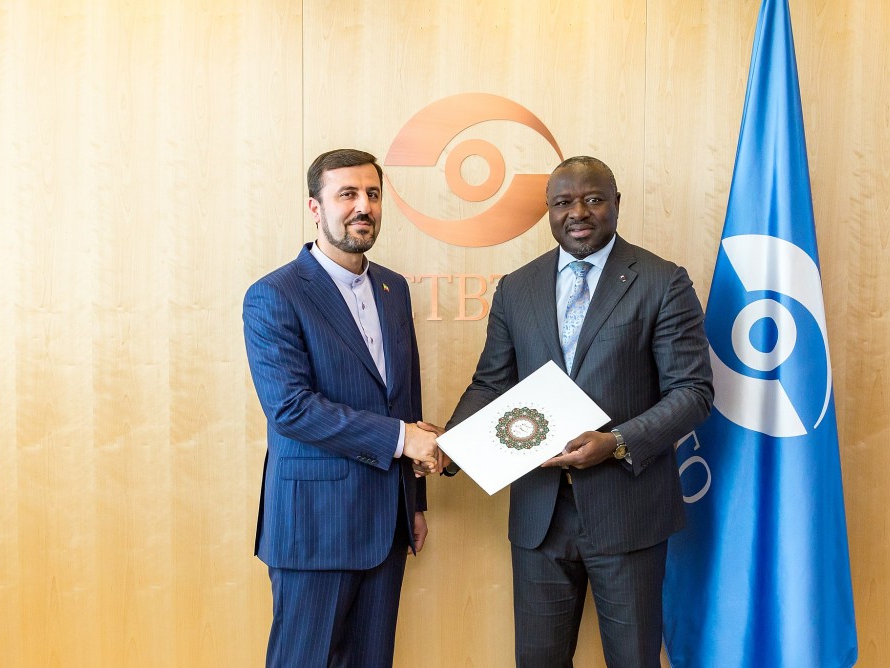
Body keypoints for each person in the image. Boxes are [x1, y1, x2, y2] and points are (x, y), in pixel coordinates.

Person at [445, 156, 714, 667]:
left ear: (616, 204)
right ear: (549, 211)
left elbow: (693, 391)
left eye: (593, 199)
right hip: (539, 515)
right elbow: (491, 383)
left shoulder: (662, 281)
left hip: (628, 511)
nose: (578, 213)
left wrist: (618, 442)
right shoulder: (517, 288)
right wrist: (452, 448)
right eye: (563, 202)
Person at [243, 148, 441, 668]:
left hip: (388, 521)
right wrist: (404, 440)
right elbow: (291, 408)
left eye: (372, 195)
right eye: (347, 194)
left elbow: (406, 397)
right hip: (316, 528)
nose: (363, 207)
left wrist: (414, 499)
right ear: (315, 207)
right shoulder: (274, 294)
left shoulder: (393, 288)